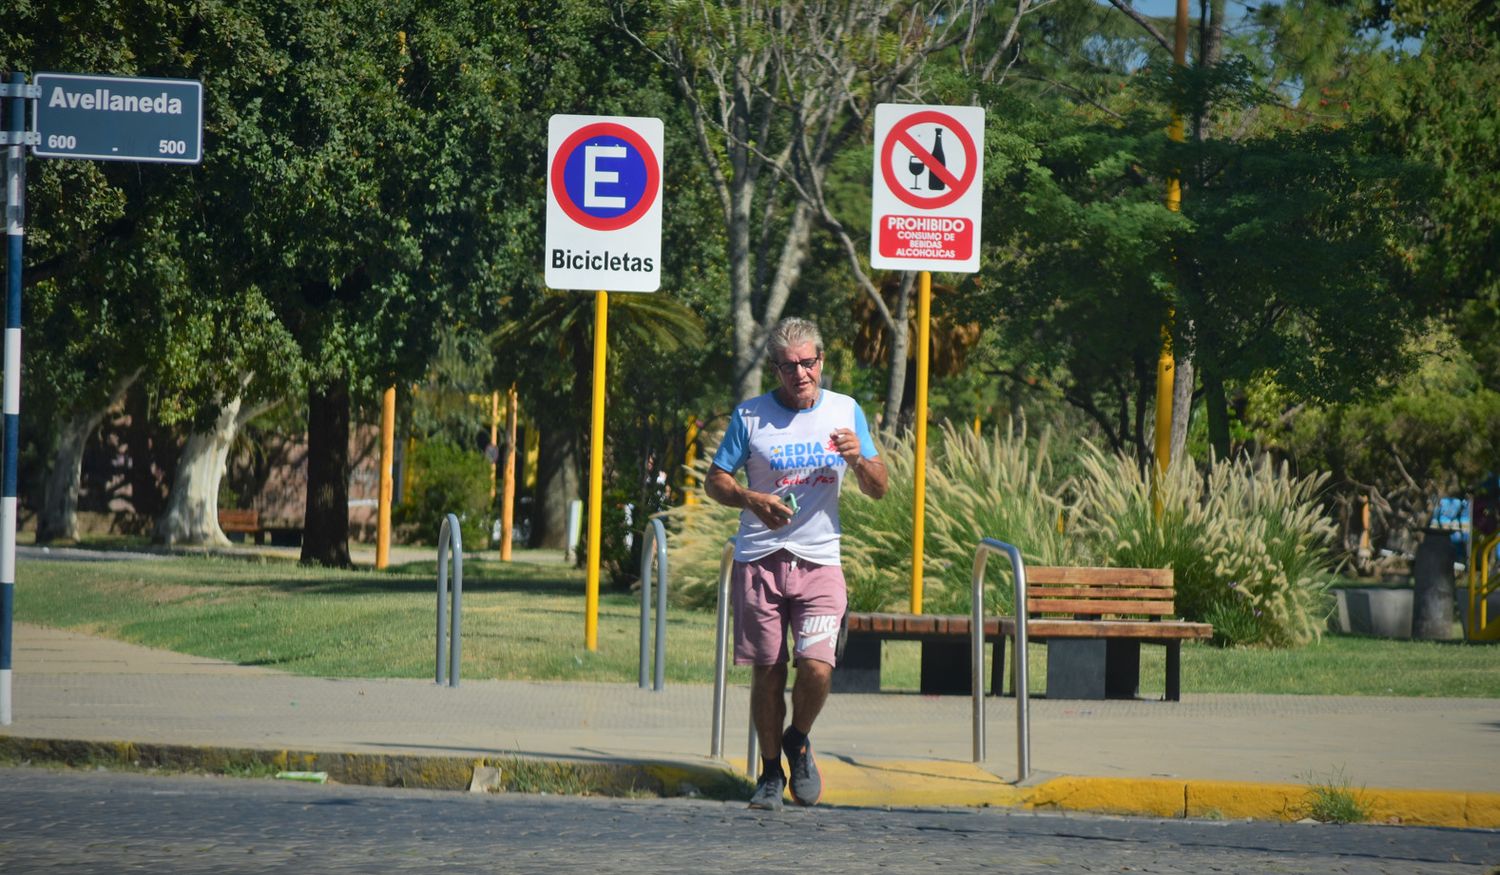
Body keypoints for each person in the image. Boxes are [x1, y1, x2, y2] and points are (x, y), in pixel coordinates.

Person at [705, 317, 889, 811]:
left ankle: (798, 739)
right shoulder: (751, 416)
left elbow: (879, 486)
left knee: (817, 668)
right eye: (790, 366)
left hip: (821, 562)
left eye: (808, 363)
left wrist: (858, 460)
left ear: (821, 361)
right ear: (776, 369)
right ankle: (768, 774)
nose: (801, 374)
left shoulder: (846, 411)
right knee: (767, 670)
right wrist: (749, 497)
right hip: (760, 560)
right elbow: (715, 480)